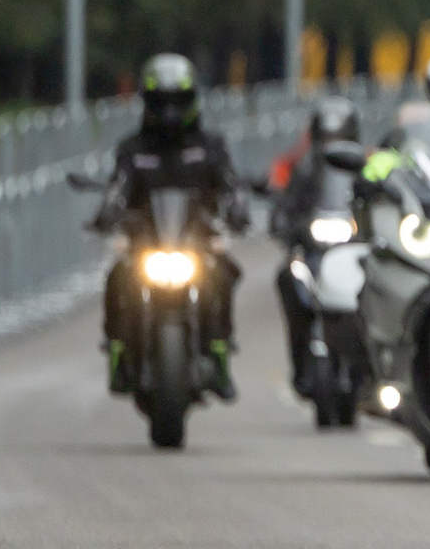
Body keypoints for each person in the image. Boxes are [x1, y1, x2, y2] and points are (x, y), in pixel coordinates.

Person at [95, 53, 249, 398]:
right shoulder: (133, 149)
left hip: (195, 241)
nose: (170, 111)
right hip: (147, 243)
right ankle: (118, 352)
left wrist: (237, 208)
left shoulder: (209, 146)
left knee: (224, 273)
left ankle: (219, 352)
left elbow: (230, 183)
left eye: (177, 101)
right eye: (162, 102)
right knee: (116, 276)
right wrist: (105, 213)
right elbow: (117, 186)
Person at [269, 96, 361, 394]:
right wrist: (285, 224)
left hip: (355, 253)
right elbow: (284, 207)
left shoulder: (366, 167)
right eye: (328, 136)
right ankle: (298, 357)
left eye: (339, 136)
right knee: (287, 278)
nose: (333, 143)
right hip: (313, 253)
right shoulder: (302, 169)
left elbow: (384, 201)